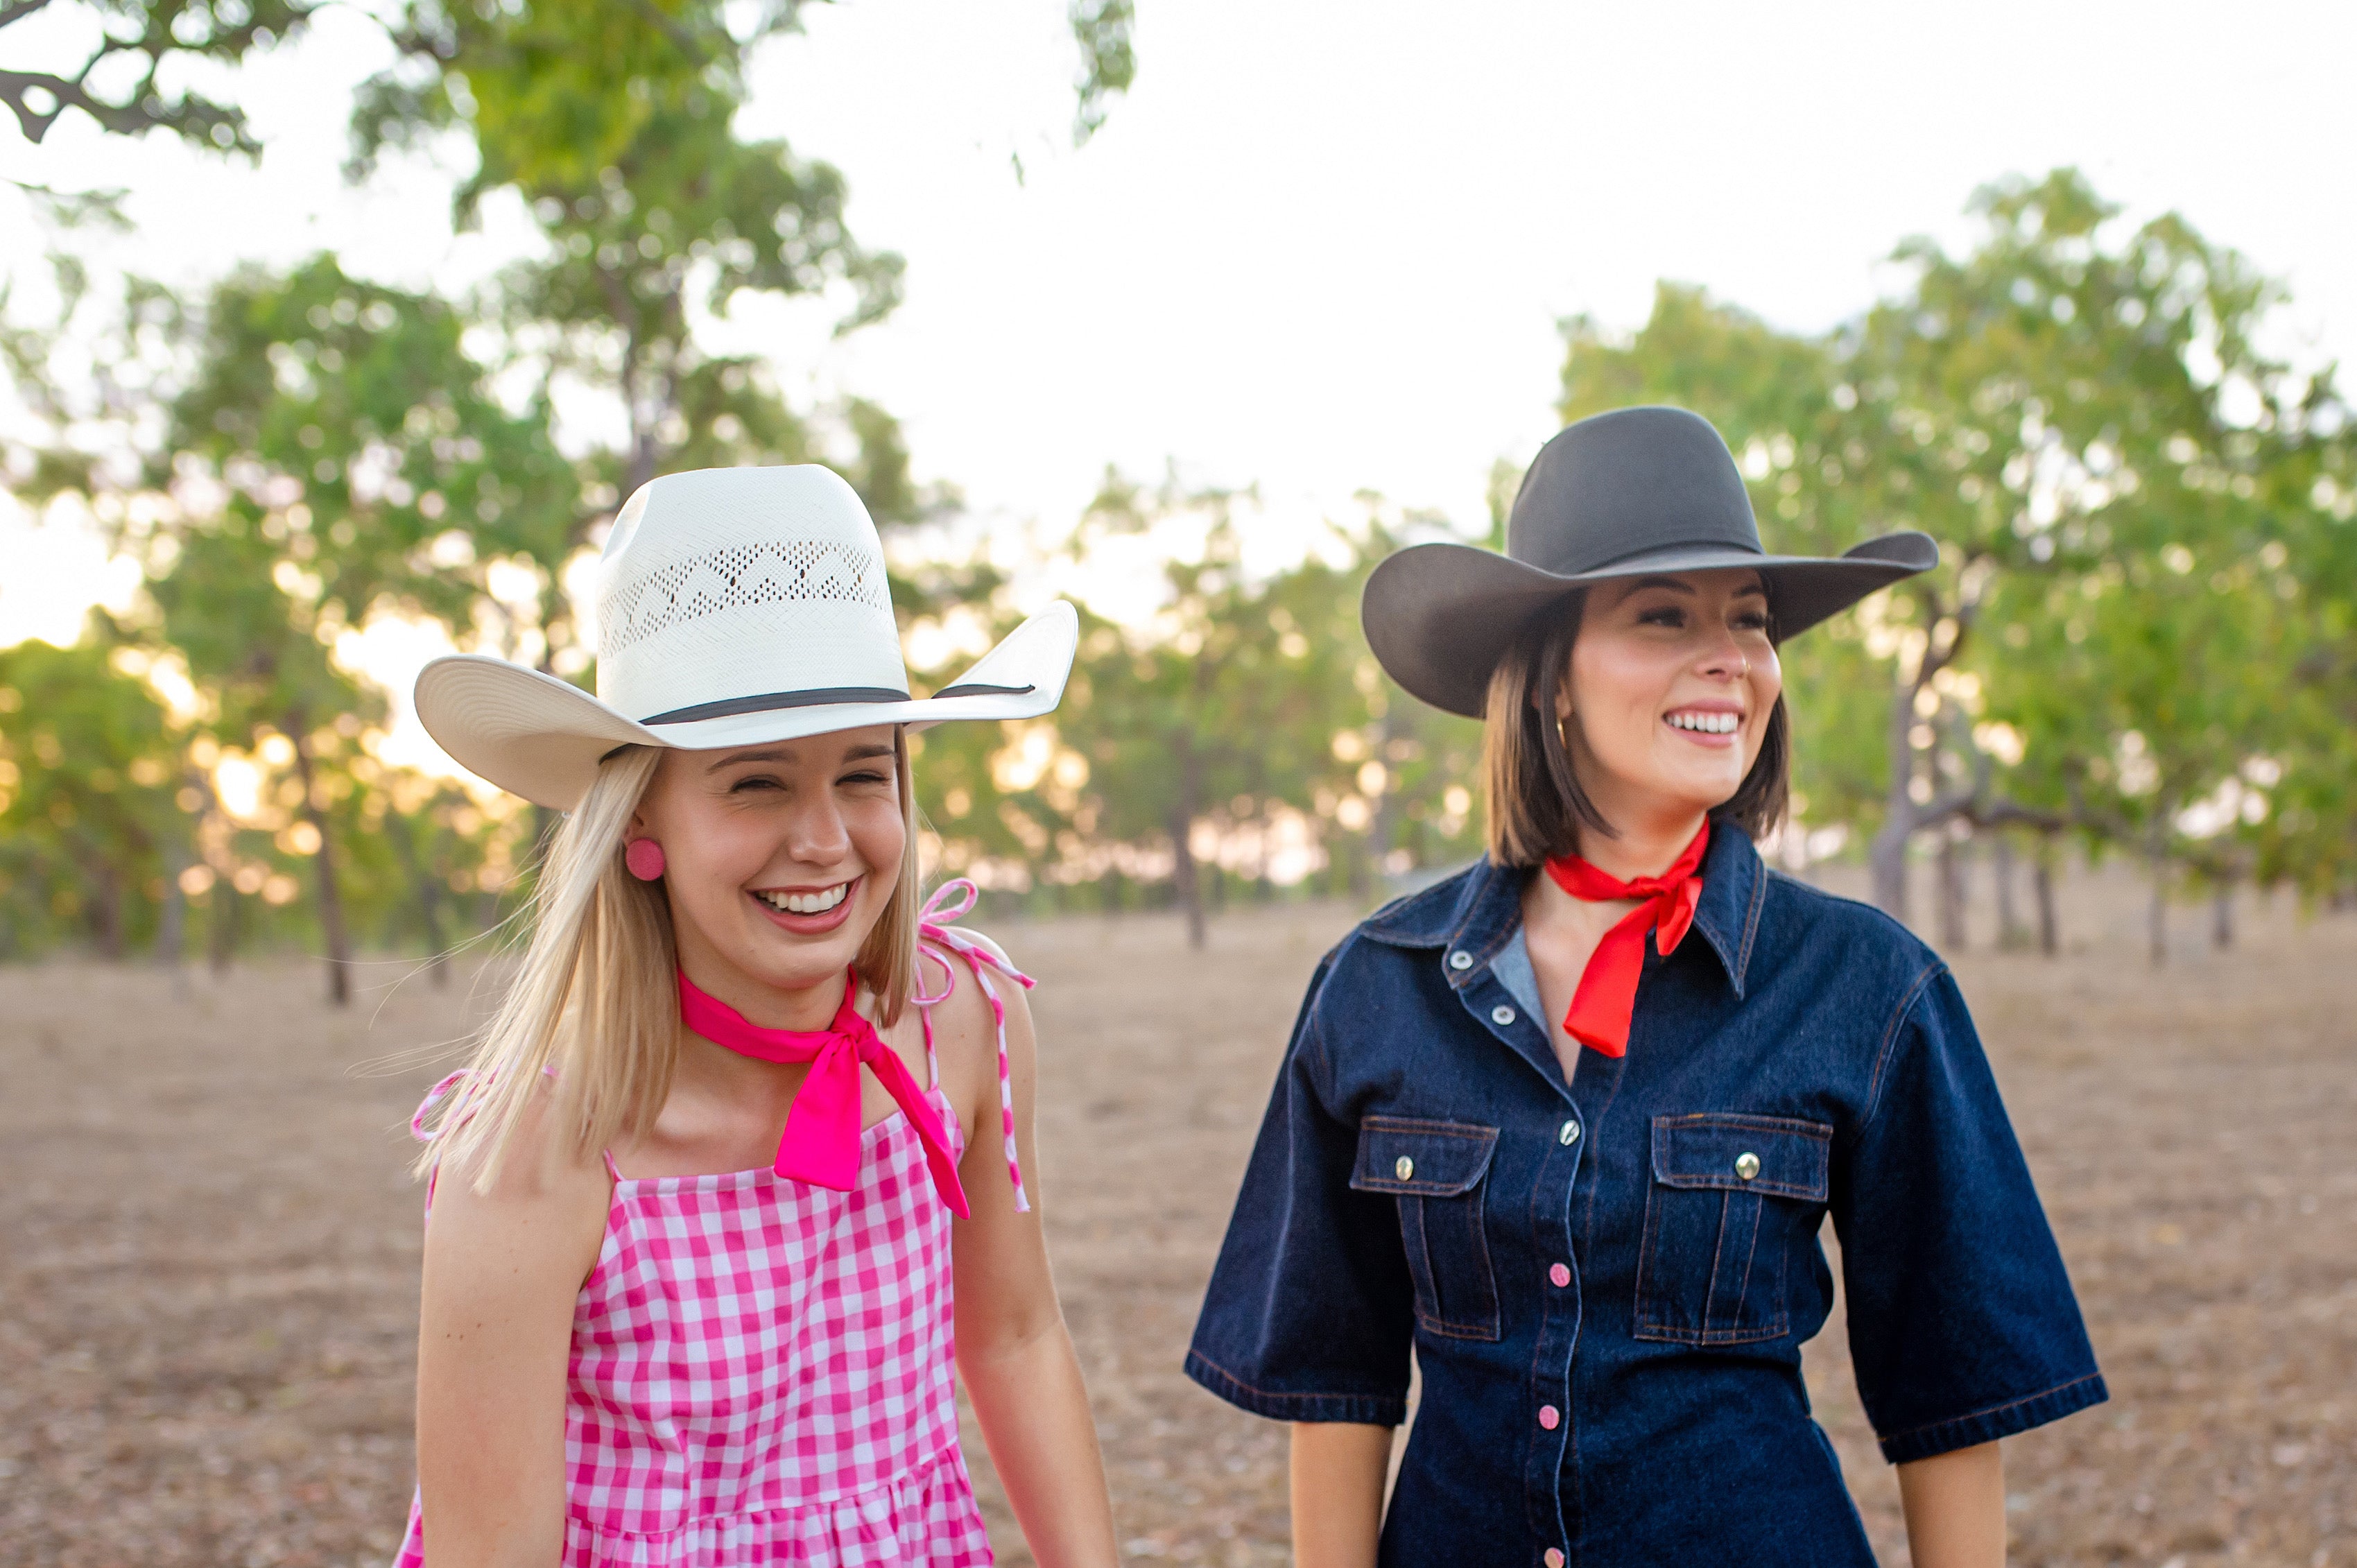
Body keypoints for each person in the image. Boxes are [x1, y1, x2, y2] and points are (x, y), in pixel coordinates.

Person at [1184, 406, 2106, 1567]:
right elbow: (1337, 1386)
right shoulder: (1379, 986)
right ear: (1551, 678)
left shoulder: (1868, 987)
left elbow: (1954, 1397)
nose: (1730, 658)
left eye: (1749, 620)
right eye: (1663, 615)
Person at [391, 465, 1119, 1567]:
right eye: (757, 784)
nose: (824, 840)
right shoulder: (533, 1152)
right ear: (642, 821)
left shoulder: (963, 1019)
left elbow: (1014, 1334)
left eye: (863, 775)